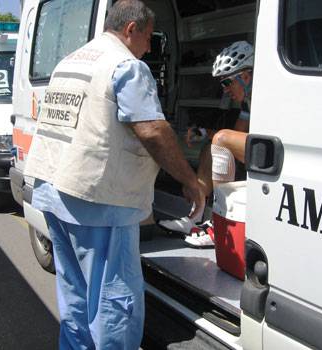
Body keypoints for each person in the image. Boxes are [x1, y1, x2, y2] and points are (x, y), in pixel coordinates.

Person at [23, 1, 204, 349]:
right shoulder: (126, 66)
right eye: (150, 37)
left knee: (75, 296)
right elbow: (151, 130)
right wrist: (189, 180)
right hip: (98, 202)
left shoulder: (71, 61)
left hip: (54, 191)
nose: (150, 47)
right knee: (112, 303)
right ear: (131, 29)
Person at [158, 41, 253, 248]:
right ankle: (196, 215)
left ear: (245, 76)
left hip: (277, 153)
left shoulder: (264, 95)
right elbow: (237, 135)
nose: (225, 90)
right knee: (213, 145)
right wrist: (204, 133)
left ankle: (221, 224)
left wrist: (216, 136)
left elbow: (229, 138)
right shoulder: (247, 101)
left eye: (227, 83)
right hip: (260, 148)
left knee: (219, 140)